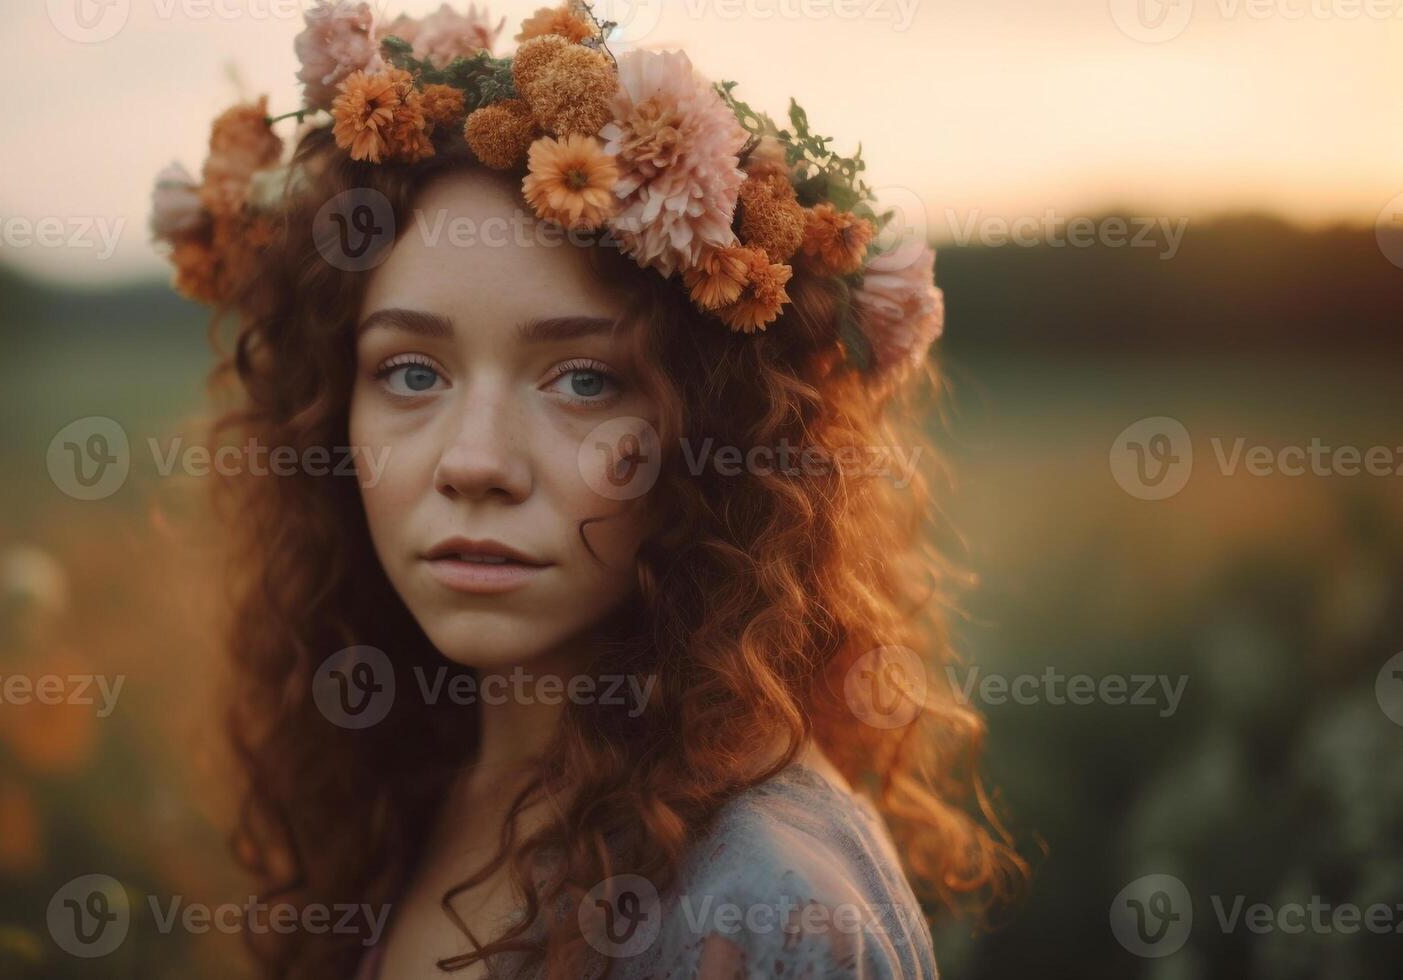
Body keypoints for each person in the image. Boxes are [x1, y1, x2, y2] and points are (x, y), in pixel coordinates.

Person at [150, 4, 1025, 977]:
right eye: (409, 371)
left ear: (706, 436)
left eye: (582, 379)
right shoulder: (404, 787)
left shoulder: (766, 903)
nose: (473, 461)